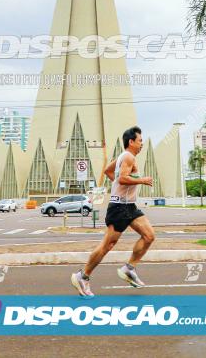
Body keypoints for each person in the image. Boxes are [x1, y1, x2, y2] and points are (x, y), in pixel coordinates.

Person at [70, 126, 155, 297]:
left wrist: (118, 187)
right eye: (139, 141)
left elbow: (109, 172)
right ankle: (83, 276)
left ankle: (129, 269)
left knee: (149, 236)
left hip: (129, 206)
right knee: (107, 245)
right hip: (119, 207)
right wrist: (143, 180)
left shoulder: (124, 157)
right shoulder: (128, 157)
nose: (142, 144)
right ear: (131, 142)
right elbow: (122, 178)